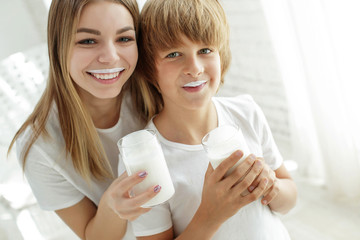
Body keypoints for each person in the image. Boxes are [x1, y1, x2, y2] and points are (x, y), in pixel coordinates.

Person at [128, 0, 298, 239]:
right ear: (149, 68)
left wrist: (272, 186)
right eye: (174, 54)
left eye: (205, 50)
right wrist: (212, 214)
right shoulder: (145, 157)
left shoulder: (246, 112)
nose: (195, 68)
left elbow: (289, 200)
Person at [7, 0, 161, 239]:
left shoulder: (158, 88)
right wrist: (112, 207)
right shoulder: (39, 146)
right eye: (88, 41)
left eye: (124, 39)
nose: (110, 57)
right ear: (58, 46)